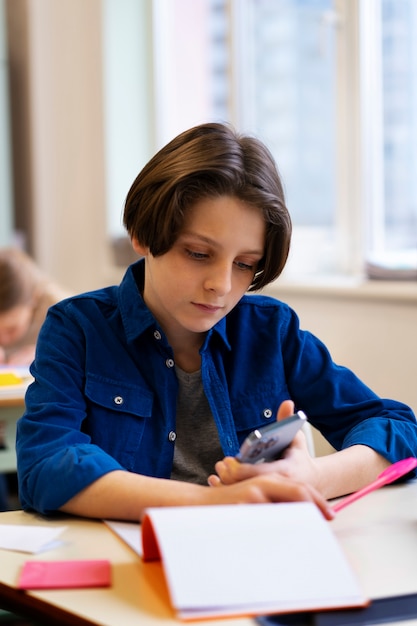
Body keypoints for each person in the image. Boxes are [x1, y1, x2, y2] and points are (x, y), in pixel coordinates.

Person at [16, 123, 417, 523]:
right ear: (141, 234)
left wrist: (312, 476)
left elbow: (399, 430)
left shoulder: (271, 332)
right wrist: (217, 502)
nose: (221, 286)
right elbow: (46, 464)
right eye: (197, 253)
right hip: (130, 563)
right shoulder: (77, 328)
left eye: (245, 264)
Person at [0, 247, 69, 511]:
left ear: (34, 300)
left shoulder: (65, 317)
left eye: (10, 329)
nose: (5, 340)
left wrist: (43, 354)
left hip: (41, 428)